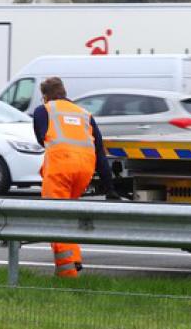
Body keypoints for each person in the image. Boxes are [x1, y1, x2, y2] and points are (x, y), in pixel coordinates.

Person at [32, 77, 116, 278]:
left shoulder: (44, 110)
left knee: (55, 219)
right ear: (64, 92)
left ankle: (68, 272)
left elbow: (41, 138)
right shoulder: (85, 114)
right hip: (85, 170)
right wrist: (109, 187)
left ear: (45, 96)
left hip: (61, 168)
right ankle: (74, 259)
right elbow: (100, 153)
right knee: (67, 216)